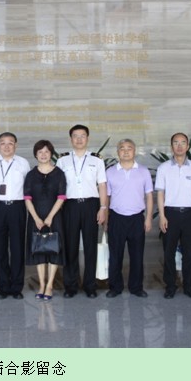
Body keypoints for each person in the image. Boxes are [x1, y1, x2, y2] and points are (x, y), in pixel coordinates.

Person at [56, 124, 107, 299]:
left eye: (82, 136)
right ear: (71, 139)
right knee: (70, 246)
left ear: (87, 138)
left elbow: (102, 185)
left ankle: (90, 285)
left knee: (90, 246)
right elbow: (58, 187)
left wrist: (103, 208)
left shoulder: (97, 160)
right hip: (69, 206)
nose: (79, 139)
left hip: (90, 205)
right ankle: (70, 286)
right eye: (75, 136)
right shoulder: (62, 160)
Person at [155, 133, 191, 299]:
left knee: (189, 253)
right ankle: (170, 286)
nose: (180, 146)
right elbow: (160, 193)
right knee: (169, 252)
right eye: (176, 143)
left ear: (188, 146)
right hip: (170, 214)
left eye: (183, 143)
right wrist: (162, 216)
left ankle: (189, 287)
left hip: (190, 215)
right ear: (171, 147)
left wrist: (190, 203)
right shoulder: (163, 168)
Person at [0, 132, 30, 300]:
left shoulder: (23, 163)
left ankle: (16, 287)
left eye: (10, 143)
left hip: (17, 207)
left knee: (17, 248)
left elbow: (28, 189)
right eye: (3, 143)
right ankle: (3, 287)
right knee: (0, 248)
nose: (7, 146)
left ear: (16, 145)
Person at [105, 139, 153, 298]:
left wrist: (148, 218)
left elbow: (149, 196)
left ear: (135, 151)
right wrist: (106, 220)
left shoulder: (143, 171)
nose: (126, 151)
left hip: (137, 219)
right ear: (117, 152)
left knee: (137, 255)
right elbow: (107, 197)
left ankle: (136, 287)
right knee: (115, 255)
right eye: (122, 148)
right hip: (116, 218)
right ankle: (115, 287)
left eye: (129, 148)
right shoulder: (110, 172)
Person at [24, 140, 66, 301]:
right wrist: (36, 218)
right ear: (35, 154)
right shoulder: (31, 174)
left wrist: (49, 217)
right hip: (35, 217)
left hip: (54, 217)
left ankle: (50, 285)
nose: (43, 154)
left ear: (51, 154)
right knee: (39, 250)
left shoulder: (59, 173)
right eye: (40, 152)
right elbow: (27, 198)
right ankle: (41, 284)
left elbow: (61, 196)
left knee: (54, 250)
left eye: (46, 151)